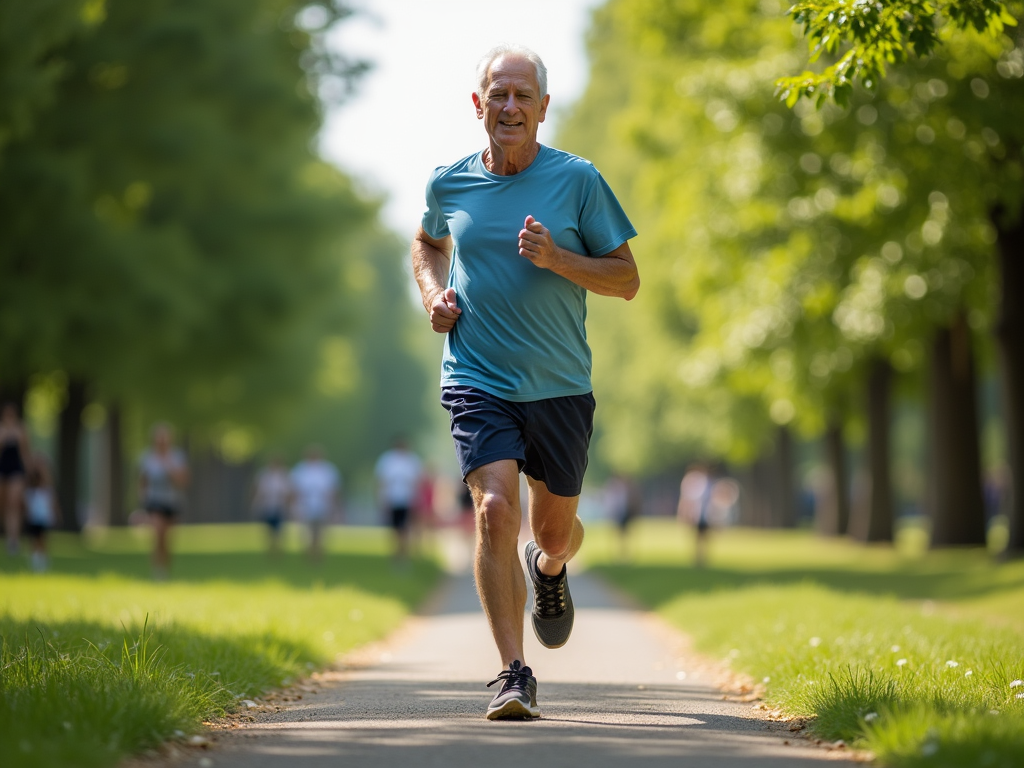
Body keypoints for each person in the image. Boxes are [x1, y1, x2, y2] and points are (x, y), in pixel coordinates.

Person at [411, 44, 639, 720]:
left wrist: (559, 259)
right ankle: (513, 672)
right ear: (479, 105)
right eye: (497, 95)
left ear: (543, 107)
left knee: (556, 533)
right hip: (476, 377)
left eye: (522, 96)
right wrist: (433, 297)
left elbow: (626, 280)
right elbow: (427, 244)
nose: (509, 107)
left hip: (560, 385)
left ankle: (549, 569)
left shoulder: (579, 181)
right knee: (493, 512)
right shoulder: (447, 182)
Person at [138, 423, 189, 580]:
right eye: (159, 438)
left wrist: (168, 466)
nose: (161, 441)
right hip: (154, 501)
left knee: (166, 539)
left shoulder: (177, 457)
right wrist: (141, 499)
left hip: (172, 501)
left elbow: (183, 481)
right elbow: (142, 481)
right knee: (157, 533)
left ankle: (165, 569)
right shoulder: (147, 457)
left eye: (164, 438)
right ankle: (157, 571)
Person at [374, 437, 423, 564]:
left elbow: (417, 482)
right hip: (392, 499)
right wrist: (382, 498)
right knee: (395, 529)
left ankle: (403, 554)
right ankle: (396, 554)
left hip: (407, 499)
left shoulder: (411, 460)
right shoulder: (387, 460)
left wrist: (417, 499)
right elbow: (382, 481)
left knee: (405, 528)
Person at [290, 445, 340, 561]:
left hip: (323, 506)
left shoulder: (328, 470)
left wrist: (335, 506)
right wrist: (294, 506)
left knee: (320, 534)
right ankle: (309, 554)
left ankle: (318, 555)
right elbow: (294, 490)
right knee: (307, 534)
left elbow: (333, 490)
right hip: (305, 506)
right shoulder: (300, 470)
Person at [0, 402, 31, 556]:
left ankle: (14, 540)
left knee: (14, 503)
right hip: (2, 469)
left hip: (16, 471)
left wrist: (28, 472)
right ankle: (8, 538)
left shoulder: (21, 430)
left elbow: (25, 453)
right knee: (4, 506)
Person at [24, 454, 60, 572]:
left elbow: (52, 499)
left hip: (43, 516)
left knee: (42, 538)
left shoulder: (47, 486)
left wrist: (55, 513)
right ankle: (36, 561)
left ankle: (42, 561)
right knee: (34, 539)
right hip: (34, 516)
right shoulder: (30, 483)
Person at [252, 455, 291, 556]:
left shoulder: (283, 476)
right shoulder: (264, 476)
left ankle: (278, 548)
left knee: (279, 529)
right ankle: (271, 548)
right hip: (267, 506)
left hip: (279, 506)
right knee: (269, 529)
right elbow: (259, 491)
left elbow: (287, 492)